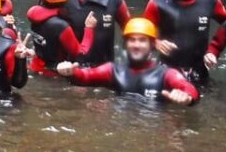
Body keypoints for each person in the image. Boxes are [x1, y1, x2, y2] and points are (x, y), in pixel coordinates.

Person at [57, 18, 199, 105]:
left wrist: (187, 98)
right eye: (132, 40)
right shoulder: (114, 70)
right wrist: (70, 72)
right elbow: (86, 76)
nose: (136, 45)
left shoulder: (166, 74)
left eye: (142, 40)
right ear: (126, 44)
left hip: (154, 127)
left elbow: (187, 87)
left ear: (152, 45)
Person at [143, 0, 226, 82]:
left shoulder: (210, 0)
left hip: (199, 72)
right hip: (166, 73)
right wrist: (156, 42)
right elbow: (139, 34)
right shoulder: (157, 2)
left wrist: (213, 50)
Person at [27, 0, 97, 75]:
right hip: (55, 74)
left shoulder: (34, 15)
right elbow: (81, 54)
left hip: (36, 67)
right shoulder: (61, 26)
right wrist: (89, 29)